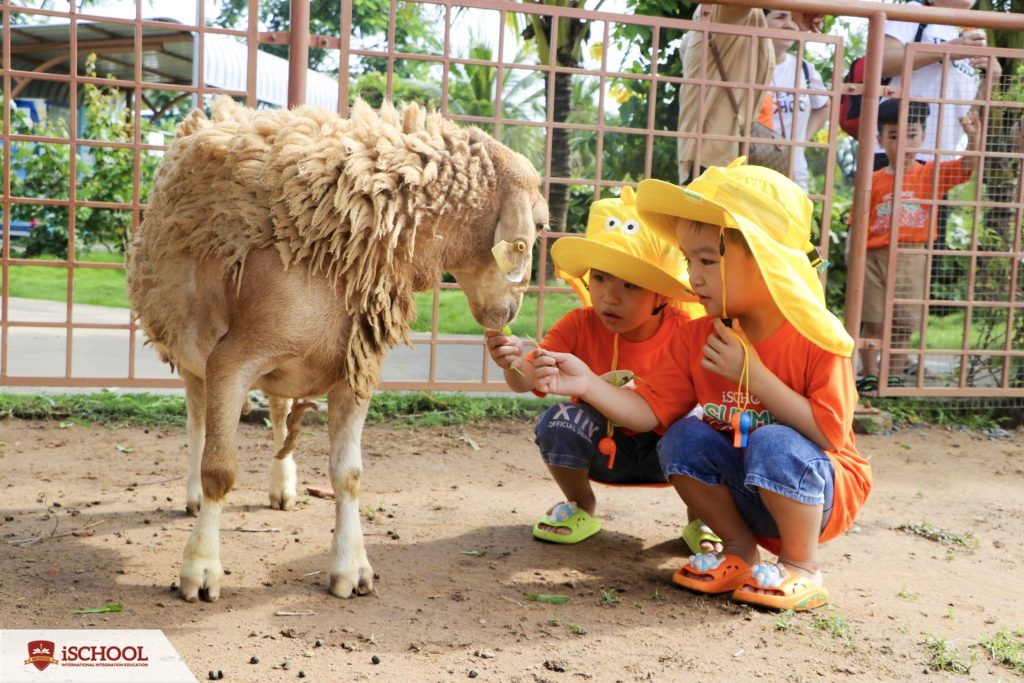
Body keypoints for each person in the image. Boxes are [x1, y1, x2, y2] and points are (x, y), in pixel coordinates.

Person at [530, 159, 871, 611]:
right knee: (683, 437)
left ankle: (801, 565)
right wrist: (588, 384)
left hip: (816, 492)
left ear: (768, 260)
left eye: (708, 260)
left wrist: (752, 376)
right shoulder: (699, 337)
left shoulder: (818, 337)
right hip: (746, 487)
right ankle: (738, 552)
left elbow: (830, 435)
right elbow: (648, 414)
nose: (693, 277)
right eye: (691, 260)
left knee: (772, 441)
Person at [484, 187, 713, 550]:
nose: (610, 296)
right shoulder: (579, 324)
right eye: (602, 278)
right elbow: (529, 378)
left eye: (631, 284)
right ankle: (580, 504)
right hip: (604, 450)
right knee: (557, 420)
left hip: (668, 450)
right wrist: (511, 363)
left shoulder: (686, 331)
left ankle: (704, 518)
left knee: (702, 428)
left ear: (662, 294)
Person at [856, 99, 981, 390]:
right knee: (872, 318)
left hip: (913, 256)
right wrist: (856, 258)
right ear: (880, 140)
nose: (904, 143)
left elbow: (967, 167)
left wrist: (973, 138)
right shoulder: (871, 180)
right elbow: (858, 223)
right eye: (894, 136)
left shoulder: (930, 174)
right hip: (874, 256)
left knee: (903, 322)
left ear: (923, 137)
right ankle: (870, 374)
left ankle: (894, 375)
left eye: (912, 134)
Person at [881, 0, 999, 160]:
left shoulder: (971, 35)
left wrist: (991, 78)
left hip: (943, 159)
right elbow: (882, 62)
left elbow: (968, 115)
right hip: (897, 152)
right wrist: (945, 51)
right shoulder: (915, 11)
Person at [677, 4, 775, 183]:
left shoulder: (741, 18)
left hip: (715, 155)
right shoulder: (725, 11)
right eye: (782, 17)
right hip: (713, 157)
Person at [764, 9, 829, 191]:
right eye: (780, 17)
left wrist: (799, 143)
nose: (790, 24)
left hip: (794, 172)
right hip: (752, 165)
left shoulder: (803, 67)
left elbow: (823, 107)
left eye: (793, 19)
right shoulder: (745, 65)